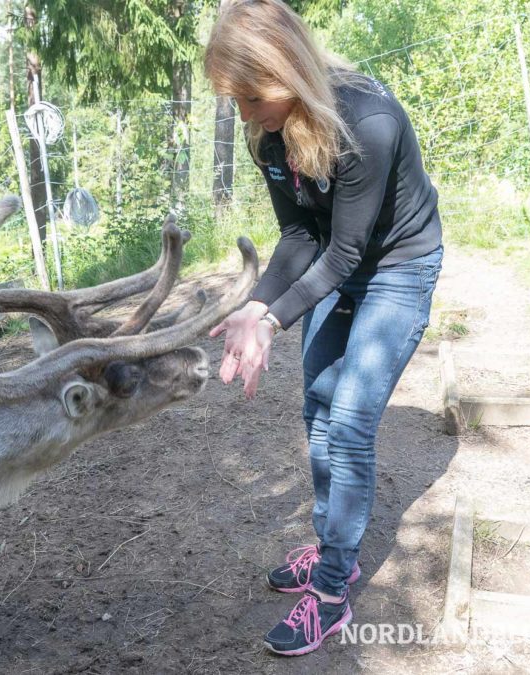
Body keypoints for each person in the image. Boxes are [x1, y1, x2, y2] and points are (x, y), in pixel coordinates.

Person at [203, 0, 444, 656]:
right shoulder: (269, 132)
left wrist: (275, 319)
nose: (244, 115)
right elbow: (299, 235)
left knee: (351, 419)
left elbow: (343, 253)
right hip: (341, 260)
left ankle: (333, 590)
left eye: (251, 98)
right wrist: (256, 305)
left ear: (286, 78)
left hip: (397, 266)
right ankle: (331, 543)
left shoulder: (367, 121)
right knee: (317, 405)